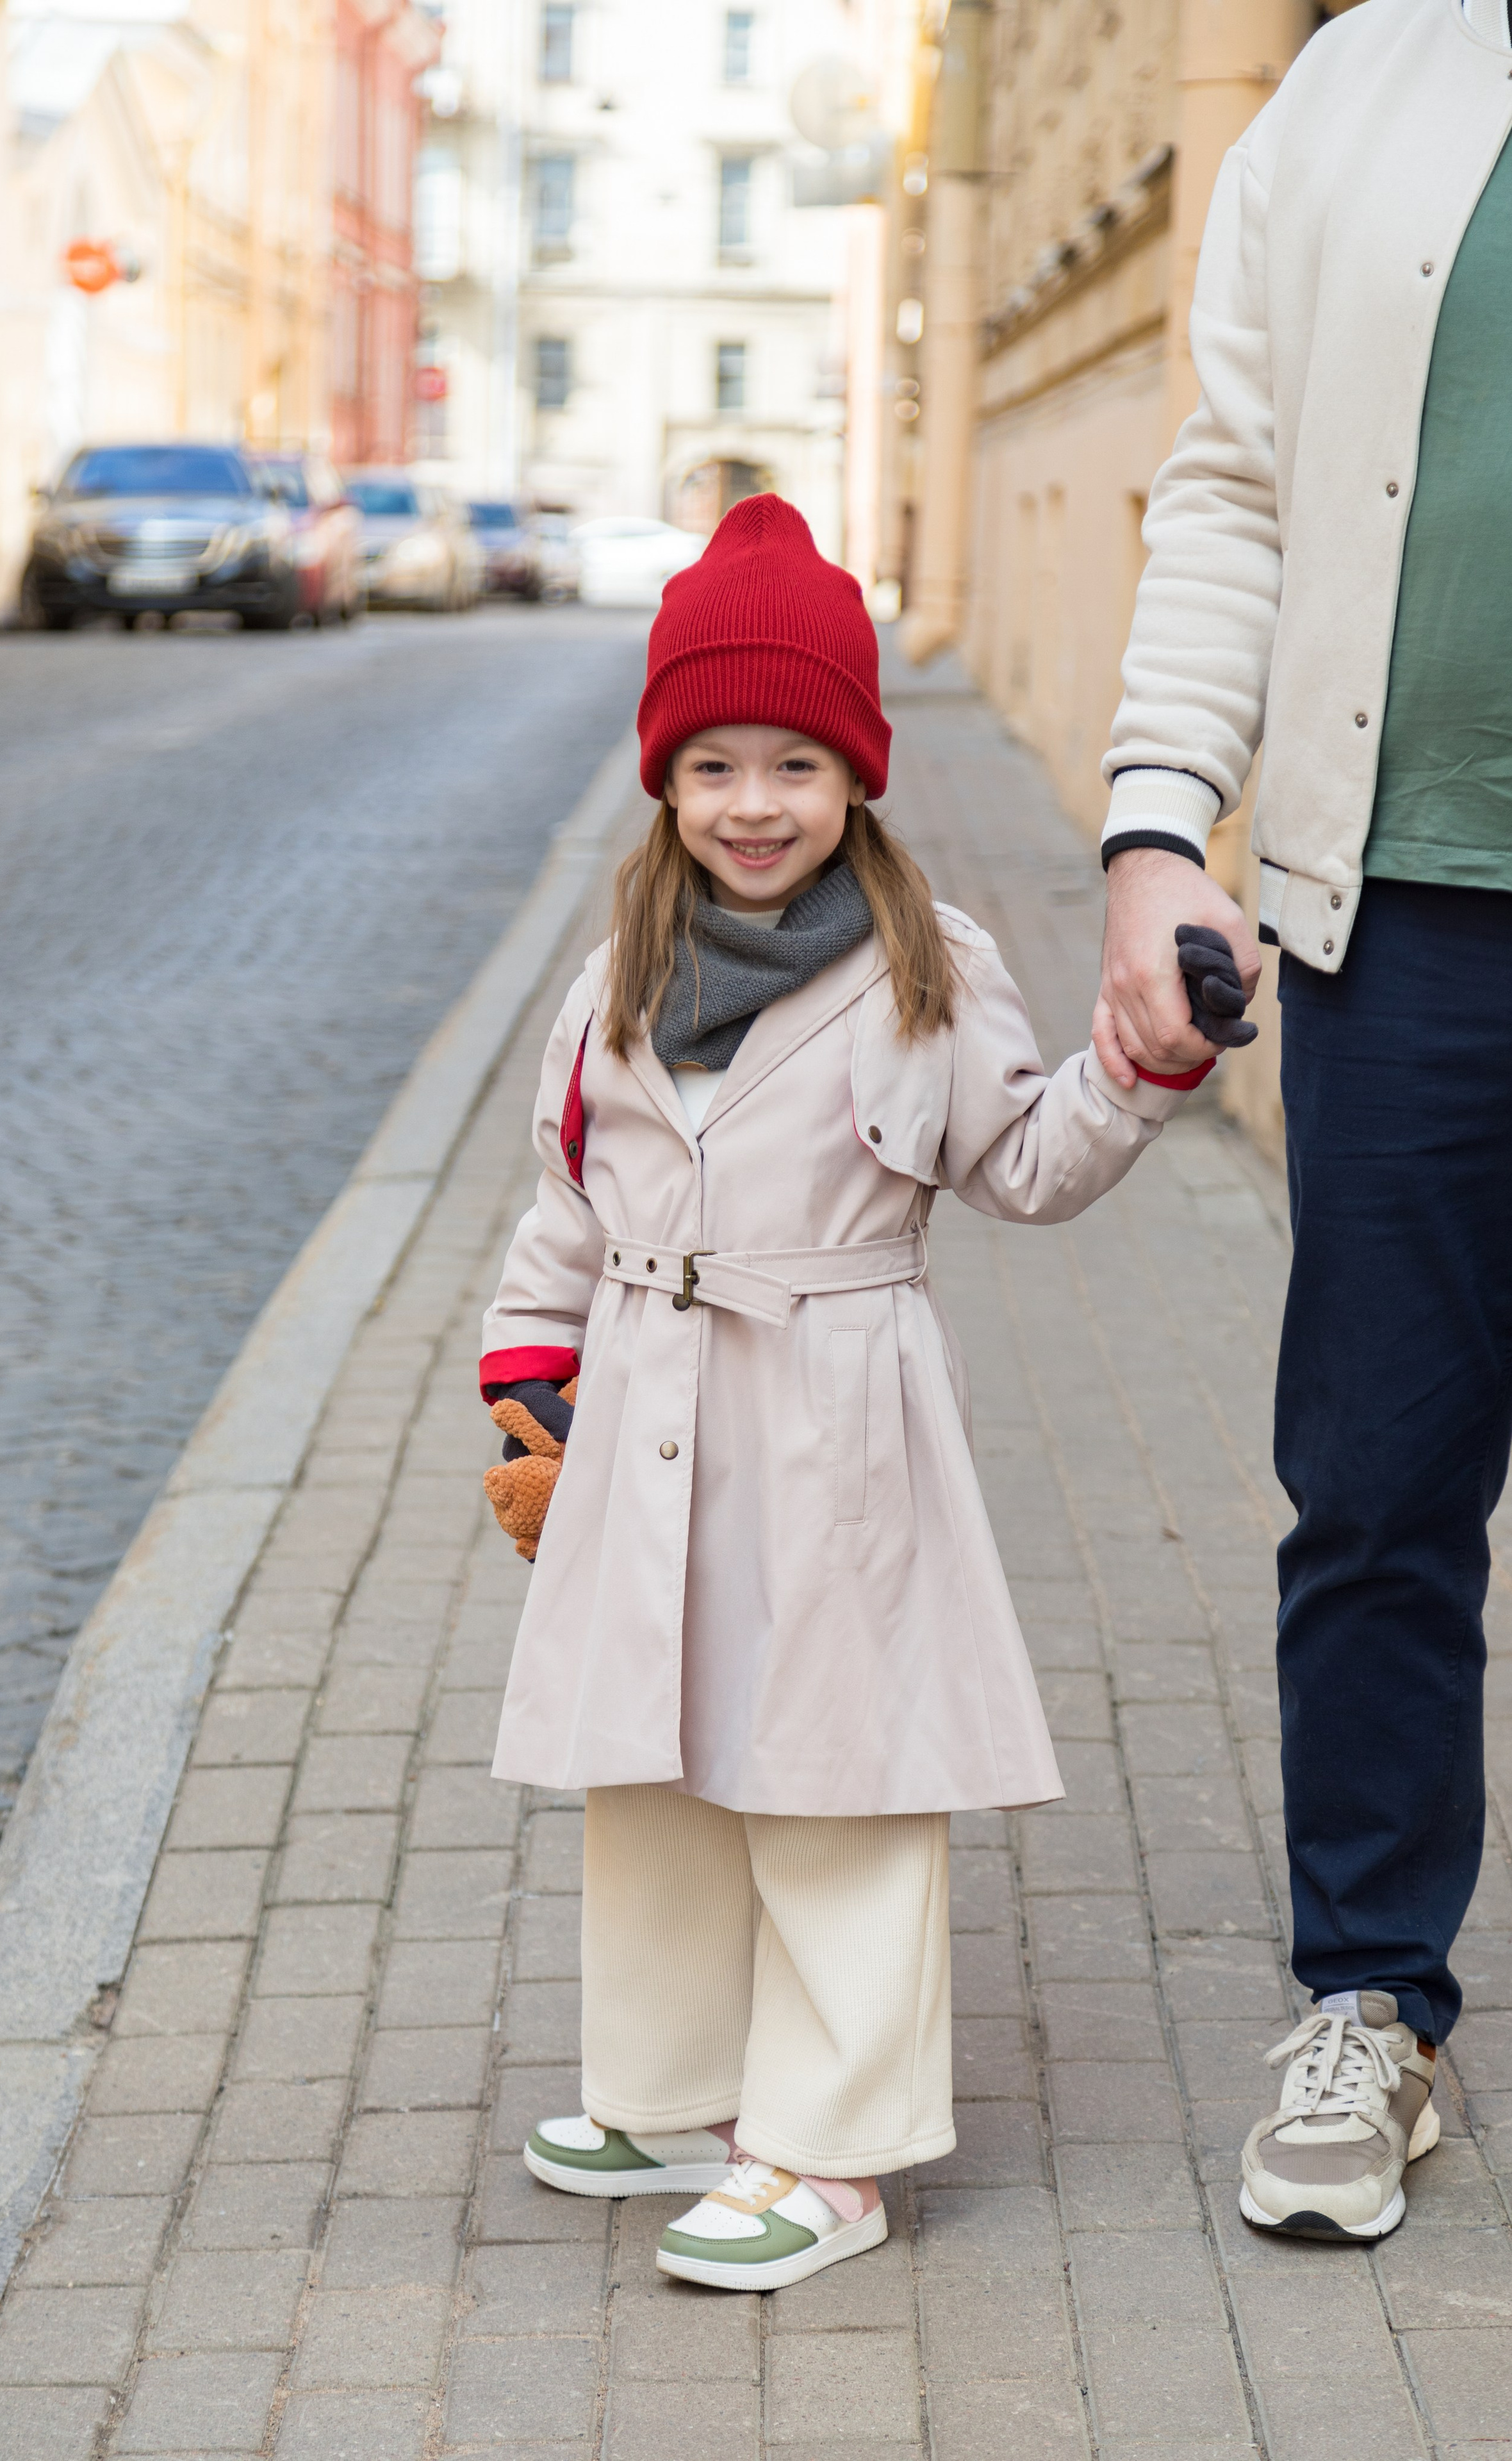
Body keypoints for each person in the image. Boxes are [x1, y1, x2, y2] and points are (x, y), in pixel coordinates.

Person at [475, 493, 1224, 2292]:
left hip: (832, 1416)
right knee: (645, 1761)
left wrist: (1144, 1063)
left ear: (858, 773)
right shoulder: (619, 970)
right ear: (665, 775)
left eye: (795, 763)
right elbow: (568, 1193)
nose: (753, 804)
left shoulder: (924, 966)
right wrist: (526, 1377)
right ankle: (672, 2089)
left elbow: (1026, 1166)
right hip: (647, 1415)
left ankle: (836, 2151)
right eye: (715, 762)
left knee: (834, 1777)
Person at [1092, 0, 1512, 2242]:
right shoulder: (1358, 84)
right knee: (1375, 1489)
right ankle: (1372, 2001)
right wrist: (1160, 825)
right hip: (1406, 920)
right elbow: (1232, 481)